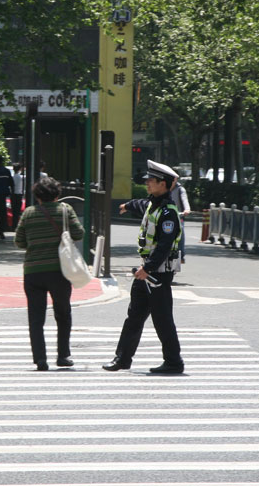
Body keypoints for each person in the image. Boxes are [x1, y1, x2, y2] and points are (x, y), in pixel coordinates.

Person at [105, 160, 184, 374]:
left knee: (162, 320)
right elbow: (140, 204)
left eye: (151, 180)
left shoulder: (168, 213)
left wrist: (147, 269)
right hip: (145, 272)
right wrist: (127, 205)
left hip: (158, 274)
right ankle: (122, 359)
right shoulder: (152, 204)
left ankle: (174, 362)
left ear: (163, 184)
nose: (147, 183)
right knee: (134, 317)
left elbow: (164, 246)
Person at [14, 177, 84, 371]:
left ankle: (40, 359)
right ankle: (63, 355)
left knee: (36, 317)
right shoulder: (65, 210)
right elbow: (79, 233)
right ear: (57, 194)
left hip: (33, 271)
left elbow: (19, 241)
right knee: (63, 313)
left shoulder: (28, 213)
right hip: (59, 271)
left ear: (37, 195)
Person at [169, 177, 191, 263]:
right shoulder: (163, 188)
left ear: (176, 179)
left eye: (173, 179)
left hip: (177, 216)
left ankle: (181, 255)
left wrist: (187, 209)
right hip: (164, 215)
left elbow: (184, 200)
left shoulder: (180, 189)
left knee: (180, 231)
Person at [10, 163, 25, 229]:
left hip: (13, 195)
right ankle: (16, 226)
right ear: (20, 169)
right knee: (18, 212)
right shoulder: (21, 177)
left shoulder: (12, 177)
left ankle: (13, 226)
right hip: (19, 195)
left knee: (14, 212)